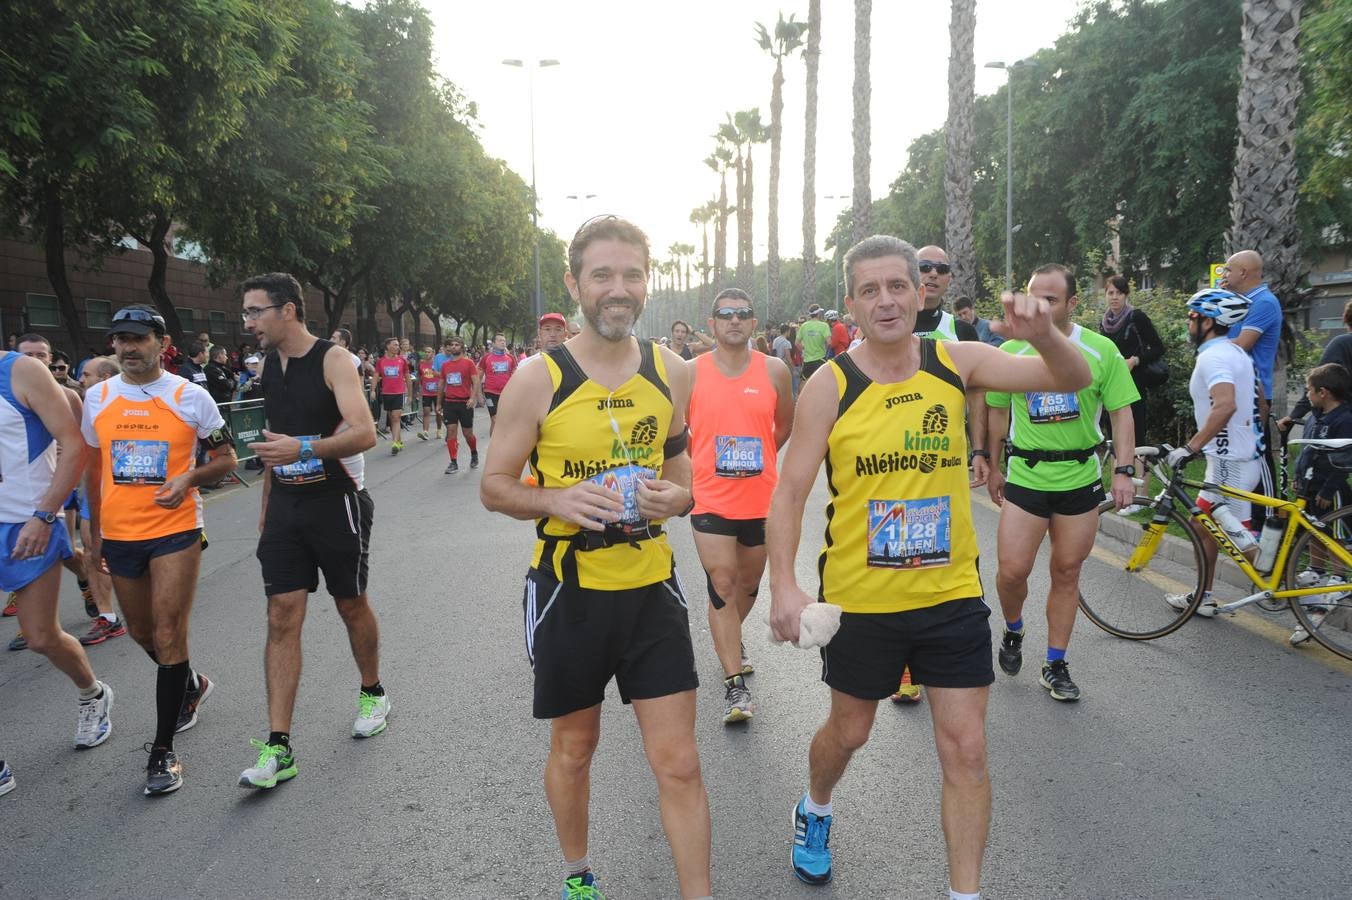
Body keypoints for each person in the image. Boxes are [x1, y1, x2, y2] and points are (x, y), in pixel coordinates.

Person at [767, 234, 1091, 896]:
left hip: (949, 595)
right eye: (869, 290)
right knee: (849, 732)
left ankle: (963, 893)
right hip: (862, 599)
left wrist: (1047, 333)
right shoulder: (830, 385)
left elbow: (1071, 377)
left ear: (920, 293)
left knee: (967, 749)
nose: (885, 301)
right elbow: (790, 490)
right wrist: (784, 584)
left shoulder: (955, 361)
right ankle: (815, 808)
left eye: (897, 286)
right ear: (850, 305)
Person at [480, 216, 711, 900]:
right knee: (575, 750)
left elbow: (678, 459)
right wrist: (555, 500)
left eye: (632, 275)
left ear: (648, 282)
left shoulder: (673, 370)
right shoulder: (537, 377)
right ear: (575, 283)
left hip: (650, 586)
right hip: (568, 592)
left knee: (679, 763)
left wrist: (682, 496)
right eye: (603, 275)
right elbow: (495, 486)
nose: (619, 289)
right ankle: (579, 874)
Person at [239, 272, 386, 790]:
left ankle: (373, 691)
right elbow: (274, 445)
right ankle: (278, 746)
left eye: (256, 311)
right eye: (246, 313)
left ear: (288, 311)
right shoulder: (266, 368)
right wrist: (266, 509)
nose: (249, 322)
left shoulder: (333, 359)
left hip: (337, 501)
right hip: (286, 507)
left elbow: (366, 431)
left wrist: (304, 449)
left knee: (350, 604)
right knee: (281, 616)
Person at [84, 305, 237, 795]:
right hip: (121, 533)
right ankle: (190, 684)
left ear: (161, 342)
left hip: (175, 529)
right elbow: (94, 466)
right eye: (119, 340)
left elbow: (227, 457)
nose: (128, 348)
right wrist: (94, 530)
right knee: (143, 633)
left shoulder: (191, 397)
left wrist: (190, 476)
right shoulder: (97, 397)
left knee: (170, 632)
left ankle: (162, 751)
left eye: (138, 338)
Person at [985, 264, 1139, 702]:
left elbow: (1121, 412)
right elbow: (996, 409)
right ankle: (1014, 628)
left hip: (1079, 477)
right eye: (1035, 297)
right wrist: (991, 463)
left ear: (1072, 303)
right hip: (1027, 476)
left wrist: (1123, 470)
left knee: (1067, 571)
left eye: (1051, 299)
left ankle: (1055, 663)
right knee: (1012, 572)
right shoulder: (1012, 349)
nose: (1040, 306)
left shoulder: (1101, 350)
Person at [886, 245, 991, 704]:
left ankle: (948, 655)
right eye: (923, 268)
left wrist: (982, 451)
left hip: (942, 466)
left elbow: (978, 398)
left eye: (940, 269)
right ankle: (908, 668)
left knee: (948, 558)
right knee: (902, 561)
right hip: (890, 466)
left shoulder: (960, 330)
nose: (931, 275)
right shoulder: (885, 323)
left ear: (950, 279)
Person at [686, 288, 793, 725]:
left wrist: (759, 462)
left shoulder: (775, 371)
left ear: (754, 323)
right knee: (724, 582)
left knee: (748, 585)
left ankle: (730, 636)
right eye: (724, 314)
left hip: (761, 500)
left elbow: (783, 427)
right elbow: (677, 432)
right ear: (711, 325)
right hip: (709, 496)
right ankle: (735, 685)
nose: (734, 320)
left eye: (743, 314)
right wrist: (699, 466)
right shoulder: (689, 373)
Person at [1, 345, 114, 754]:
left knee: (40, 636)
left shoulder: (22, 372)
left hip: (25, 523)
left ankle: (92, 694)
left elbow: (75, 445)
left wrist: (45, 515)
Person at [1162, 288, 1265, 617]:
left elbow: (1225, 405)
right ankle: (1204, 595)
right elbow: (1259, 400)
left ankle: (1291, 592)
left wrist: (1189, 448)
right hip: (1233, 457)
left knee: (1243, 545)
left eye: (1192, 316)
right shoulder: (1234, 352)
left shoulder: (1215, 356)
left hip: (1229, 461)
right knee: (1203, 526)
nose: (1188, 322)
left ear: (1208, 321)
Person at [1288, 362, 1352, 645]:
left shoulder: (1344, 419)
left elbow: (1344, 460)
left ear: (1323, 392)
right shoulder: (1315, 416)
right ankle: (1316, 570)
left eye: (1309, 391)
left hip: (1331, 489)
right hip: (1310, 486)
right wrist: (1299, 478)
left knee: (1334, 534)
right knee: (1313, 529)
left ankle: (1339, 576)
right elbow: (1307, 450)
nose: (1307, 395)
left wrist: (1329, 488)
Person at [1098, 275, 1164, 510]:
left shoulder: (1137, 317)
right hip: (1110, 388)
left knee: (1137, 439)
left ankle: (1140, 496)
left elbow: (1158, 347)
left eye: (1118, 293)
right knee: (1116, 438)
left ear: (1126, 295)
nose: (1114, 297)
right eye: (1110, 293)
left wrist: (1135, 360)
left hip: (1135, 387)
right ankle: (1117, 488)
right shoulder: (1104, 323)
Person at [75, 356, 126, 646]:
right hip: (96, 485)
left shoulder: (132, 397)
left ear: (105, 377)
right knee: (91, 545)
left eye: (87, 374)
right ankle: (107, 617)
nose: (81, 379)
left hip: (131, 489)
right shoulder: (86, 400)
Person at [1279, 300, 1352, 434]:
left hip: (1341, 423)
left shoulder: (1342, 343)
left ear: (1346, 320)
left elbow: (1319, 381)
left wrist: (1294, 415)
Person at [440, 336, 481, 474]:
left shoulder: (468, 363)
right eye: (452, 345)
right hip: (450, 402)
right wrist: (439, 402)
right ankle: (453, 462)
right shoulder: (445, 365)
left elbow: (476, 382)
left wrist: (472, 398)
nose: (454, 347)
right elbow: (441, 384)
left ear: (462, 347)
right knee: (451, 432)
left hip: (465, 403)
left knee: (467, 434)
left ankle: (474, 453)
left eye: (457, 345)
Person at [479, 333, 517, 436]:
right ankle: (493, 446)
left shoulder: (511, 358)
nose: (503, 342)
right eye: (500, 340)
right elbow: (478, 378)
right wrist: (479, 395)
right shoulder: (486, 358)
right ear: (493, 343)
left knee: (504, 421)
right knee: (495, 420)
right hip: (490, 393)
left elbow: (515, 377)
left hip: (506, 393)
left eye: (504, 340)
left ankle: (502, 444)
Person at [377, 338, 410, 453]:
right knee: (392, 418)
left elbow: (407, 377)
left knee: (396, 418)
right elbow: (376, 376)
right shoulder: (381, 361)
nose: (397, 347)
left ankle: (395, 443)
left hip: (399, 393)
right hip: (386, 393)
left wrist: (410, 394)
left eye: (398, 345)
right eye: (395, 345)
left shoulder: (402, 360)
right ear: (388, 346)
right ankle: (399, 441)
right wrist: (372, 390)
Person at [797, 305, 831, 381]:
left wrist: (804, 350)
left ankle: (802, 393)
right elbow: (829, 343)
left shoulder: (803, 326)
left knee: (803, 381)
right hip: (820, 359)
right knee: (823, 381)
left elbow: (797, 343)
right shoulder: (824, 325)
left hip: (807, 360)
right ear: (818, 314)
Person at [415, 346, 440, 440]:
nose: (427, 354)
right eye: (425, 352)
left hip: (437, 392)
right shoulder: (421, 364)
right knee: (426, 411)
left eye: (429, 352)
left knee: (438, 412)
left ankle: (439, 429)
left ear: (433, 353)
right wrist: (416, 390)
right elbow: (418, 377)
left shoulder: (437, 363)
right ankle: (425, 432)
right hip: (426, 392)